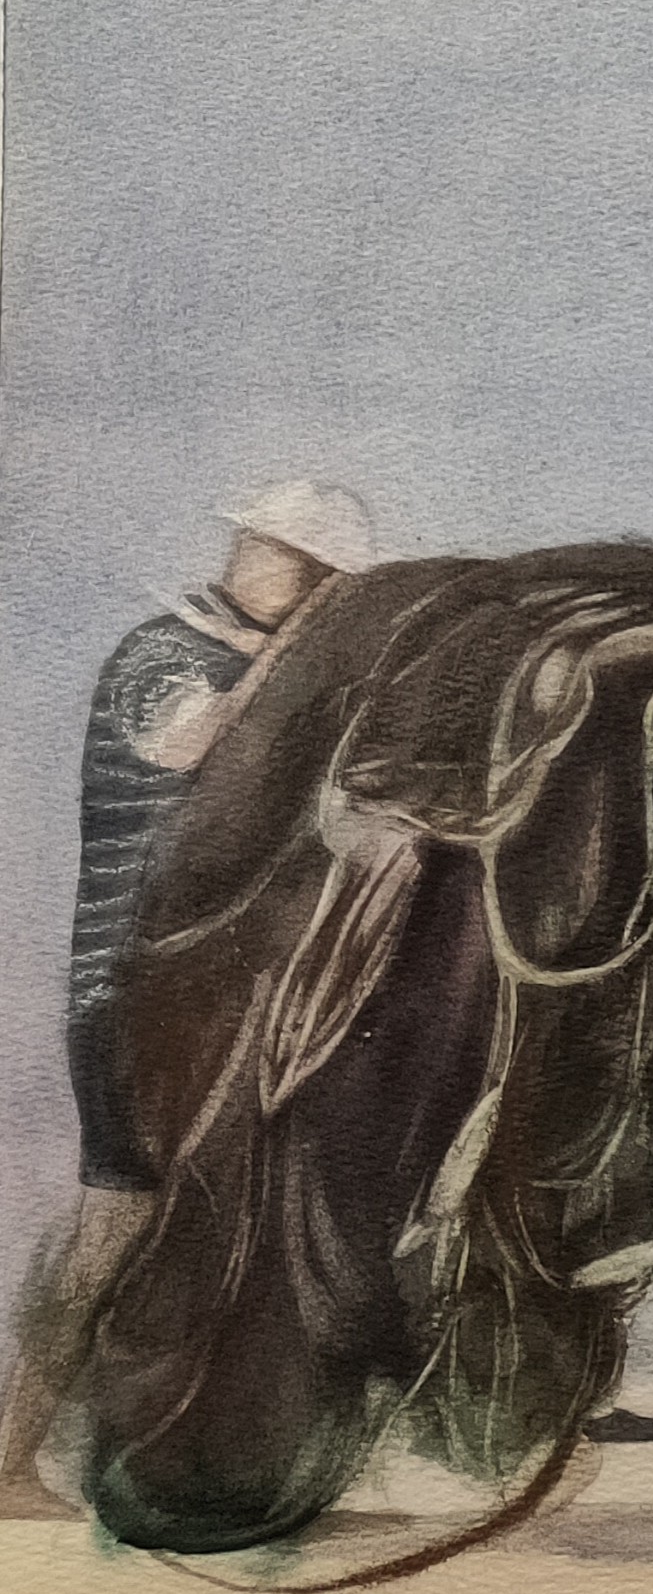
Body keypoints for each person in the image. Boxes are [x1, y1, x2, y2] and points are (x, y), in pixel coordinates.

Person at [0, 481, 377, 1519]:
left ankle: (206, 1459)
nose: (307, 592)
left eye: (322, 581)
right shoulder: (162, 653)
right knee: (113, 1230)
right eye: (302, 569)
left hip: (223, 1002)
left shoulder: (280, 678)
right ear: (256, 552)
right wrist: (293, 659)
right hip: (129, 996)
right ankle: (9, 1458)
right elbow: (185, 741)